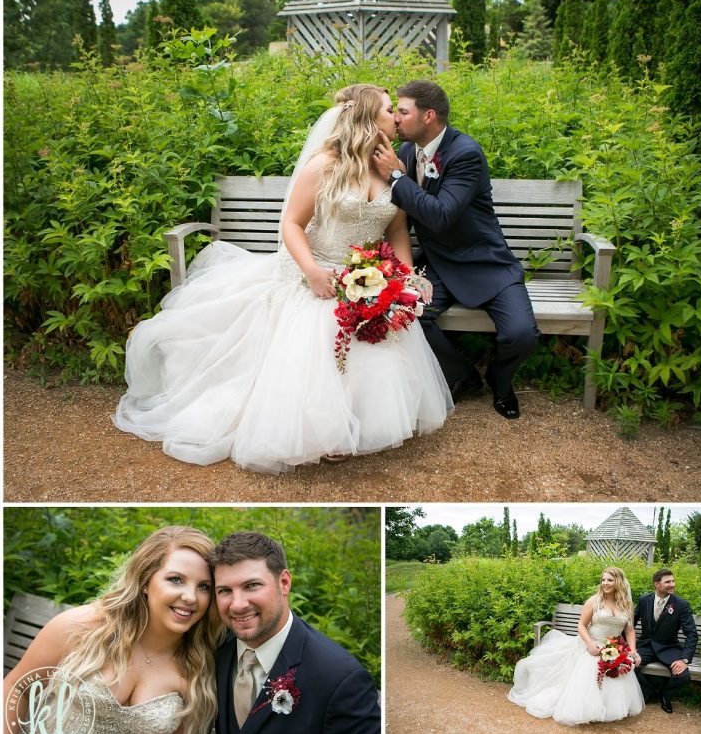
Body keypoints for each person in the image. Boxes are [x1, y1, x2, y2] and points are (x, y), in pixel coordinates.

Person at [113, 84, 452, 474]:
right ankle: (325, 429)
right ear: (365, 118)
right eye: (389, 110)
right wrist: (312, 272)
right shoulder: (324, 165)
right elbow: (291, 223)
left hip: (365, 276)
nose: (396, 117)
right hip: (315, 270)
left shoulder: (393, 167)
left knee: (378, 333)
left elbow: (396, 233)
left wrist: (404, 279)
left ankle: (361, 421)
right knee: (323, 330)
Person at [371, 80, 539, 419]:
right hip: (438, 265)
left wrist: (398, 179)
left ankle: (500, 380)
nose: (397, 119)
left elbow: (442, 216)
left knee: (521, 335)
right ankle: (462, 373)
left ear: (428, 115)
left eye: (403, 112)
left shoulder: (465, 153)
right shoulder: (404, 153)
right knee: (407, 315)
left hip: (484, 263)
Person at [3, 526, 224, 734]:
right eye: (176, 579)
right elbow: (17, 689)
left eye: (204, 587)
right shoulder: (82, 628)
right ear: (146, 581)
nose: (190, 597)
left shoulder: (199, 668)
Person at [210, 531, 380, 734]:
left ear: (284, 583)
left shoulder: (339, 679)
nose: (238, 604)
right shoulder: (218, 651)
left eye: (251, 585)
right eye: (224, 591)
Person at [507, 567, 644, 725]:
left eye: (610, 580)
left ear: (618, 582)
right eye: (603, 579)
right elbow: (581, 625)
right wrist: (591, 645)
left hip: (614, 648)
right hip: (590, 644)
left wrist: (632, 650)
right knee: (589, 671)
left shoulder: (626, 605)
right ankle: (588, 709)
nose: (605, 583)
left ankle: (608, 709)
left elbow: (629, 630)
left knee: (616, 674)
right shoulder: (595, 601)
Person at [633, 568, 698, 713]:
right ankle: (648, 692)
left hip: (669, 648)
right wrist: (627, 647)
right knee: (627, 665)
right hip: (646, 646)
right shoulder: (644, 600)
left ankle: (665, 696)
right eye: (667, 581)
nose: (672, 584)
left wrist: (684, 660)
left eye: (673, 581)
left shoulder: (681, 605)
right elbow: (630, 625)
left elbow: (692, 634)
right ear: (656, 584)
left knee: (683, 676)